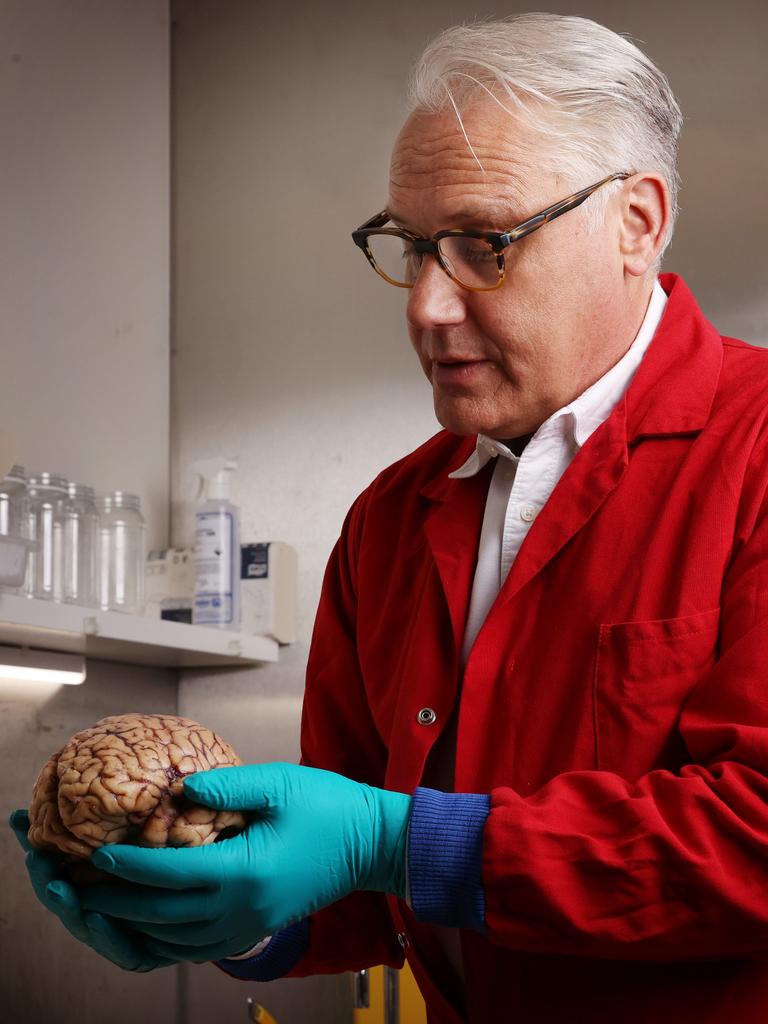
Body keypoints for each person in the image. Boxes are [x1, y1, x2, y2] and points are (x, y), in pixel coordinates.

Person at [11, 12, 768, 1022]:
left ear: (636, 221)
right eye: (412, 246)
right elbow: (356, 885)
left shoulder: (754, 450)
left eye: (483, 245)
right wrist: (233, 917)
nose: (425, 306)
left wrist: (401, 839)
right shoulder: (392, 520)